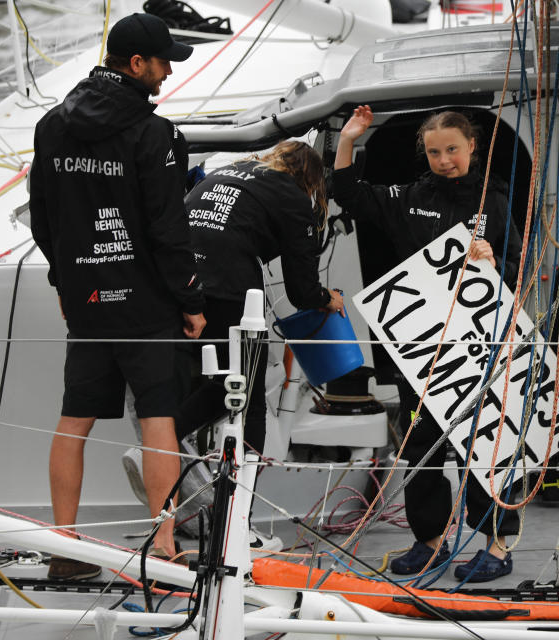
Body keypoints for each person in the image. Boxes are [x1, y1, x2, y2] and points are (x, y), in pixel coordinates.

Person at [29, 12, 205, 580]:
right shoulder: (155, 134)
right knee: (159, 420)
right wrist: (191, 299)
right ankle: (164, 549)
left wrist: (65, 280)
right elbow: (166, 228)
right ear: (136, 64)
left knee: (73, 419)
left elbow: (43, 219)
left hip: (86, 299)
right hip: (145, 304)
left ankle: (64, 548)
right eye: (162, 63)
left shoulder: (53, 125)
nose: (167, 73)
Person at [333, 105, 523, 582]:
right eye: (435, 152)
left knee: (484, 446)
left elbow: (522, 266)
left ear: (472, 147)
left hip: (478, 346)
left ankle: (498, 548)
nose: (445, 160)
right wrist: (348, 140)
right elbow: (350, 196)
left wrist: (494, 260)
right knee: (421, 445)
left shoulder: (495, 200)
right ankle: (430, 543)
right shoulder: (411, 195)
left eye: (453, 150)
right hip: (420, 346)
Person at [174, 140, 344, 549]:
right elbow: (303, 290)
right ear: (312, 180)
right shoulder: (292, 196)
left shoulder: (227, 173)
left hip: (181, 293)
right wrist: (327, 299)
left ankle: (162, 439)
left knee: (218, 388)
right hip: (230, 297)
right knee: (248, 406)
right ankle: (238, 529)